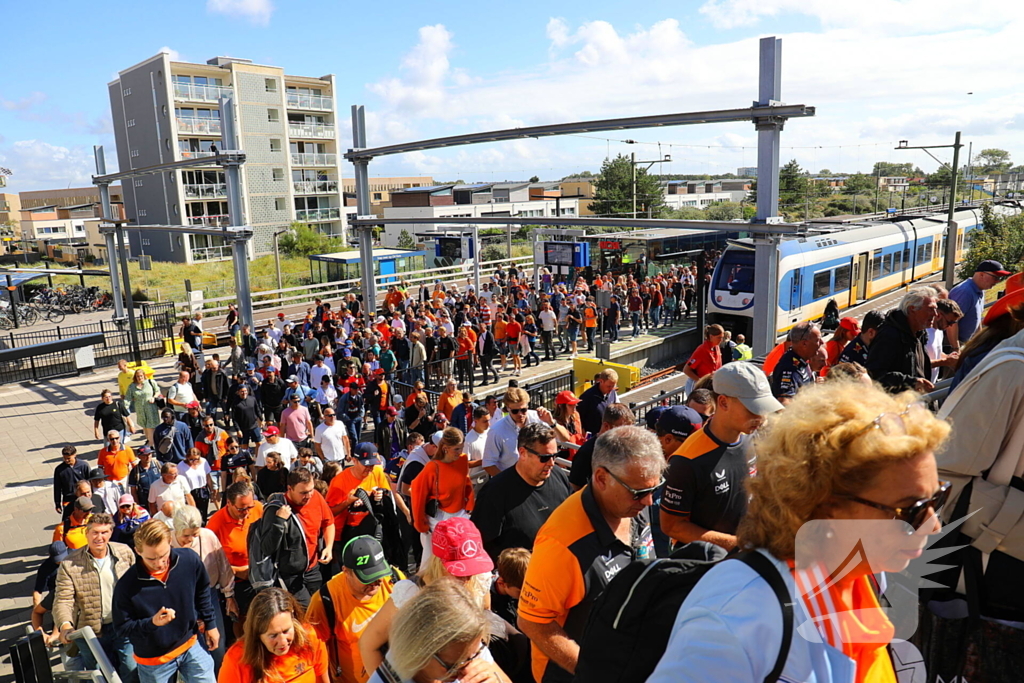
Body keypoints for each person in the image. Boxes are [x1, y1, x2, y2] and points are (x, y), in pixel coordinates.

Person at [648, 380, 951, 683]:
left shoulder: (864, 574)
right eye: (911, 510)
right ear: (827, 505)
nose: (933, 525)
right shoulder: (736, 618)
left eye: (938, 498)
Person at [518, 425, 661, 683]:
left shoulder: (633, 504)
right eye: (638, 493)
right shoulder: (562, 543)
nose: (649, 501)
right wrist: (594, 672)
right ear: (602, 478)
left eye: (654, 489)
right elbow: (532, 622)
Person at [661, 362, 783, 556]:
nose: (761, 417)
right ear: (724, 402)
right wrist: (736, 544)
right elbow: (672, 526)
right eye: (753, 409)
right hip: (706, 564)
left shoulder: (752, 437)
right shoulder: (687, 460)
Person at [359, 519, 497, 678]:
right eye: (460, 571)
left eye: (473, 568)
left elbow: (484, 615)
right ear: (438, 561)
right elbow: (368, 644)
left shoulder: (479, 578)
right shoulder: (411, 594)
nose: (468, 578)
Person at [113, 519, 219, 683]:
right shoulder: (126, 585)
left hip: (192, 644)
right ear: (137, 551)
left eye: (163, 555)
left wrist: (210, 624)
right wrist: (152, 623)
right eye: (151, 559)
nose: (159, 563)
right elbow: (122, 628)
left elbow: (202, 590)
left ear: (170, 541)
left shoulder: (189, 560)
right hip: (153, 661)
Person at [366, 579, 509, 683]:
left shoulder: (465, 649)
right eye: (452, 666)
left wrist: (496, 679)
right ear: (420, 651)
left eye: (475, 654)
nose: (465, 669)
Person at [53, 512, 137, 680]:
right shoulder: (69, 564)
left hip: (122, 624)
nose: (99, 537)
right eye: (95, 532)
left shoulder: (124, 552)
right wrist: (65, 625)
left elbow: (137, 584)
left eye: (104, 532)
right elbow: (63, 599)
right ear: (87, 533)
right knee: (99, 674)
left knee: (130, 668)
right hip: (90, 631)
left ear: (111, 533)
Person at [307, 536, 403, 683]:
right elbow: (314, 652)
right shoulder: (326, 600)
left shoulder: (395, 581)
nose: (377, 582)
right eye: (368, 577)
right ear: (346, 572)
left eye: (380, 573)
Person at [472, 424, 572, 563]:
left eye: (555, 456)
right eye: (544, 458)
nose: (551, 463)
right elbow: (482, 545)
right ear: (523, 453)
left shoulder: (559, 476)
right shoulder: (494, 492)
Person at [171, 506, 237, 671]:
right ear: (176, 530)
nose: (190, 540)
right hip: (180, 601)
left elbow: (223, 566)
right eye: (186, 536)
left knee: (217, 643)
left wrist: (229, 595)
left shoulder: (208, 536)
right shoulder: (167, 542)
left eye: (194, 535)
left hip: (209, 595)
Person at [259, 468, 335, 607]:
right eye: (303, 493)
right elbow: (266, 548)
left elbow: (328, 523)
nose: (309, 496)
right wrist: (279, 522)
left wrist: (329, 547)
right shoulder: (275, 509)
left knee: (320, 609)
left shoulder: (316, 497)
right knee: (307, 612)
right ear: (290, 489)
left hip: (313, 570)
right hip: (290, 576)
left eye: (311, 490)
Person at [218, 587, 329, 683]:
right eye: (273, 635)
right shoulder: (237, 659)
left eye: (286, 631)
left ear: (293, 617)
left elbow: (322, 677)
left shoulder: (309, 638)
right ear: (257, 634)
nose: (283, 642)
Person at [410, 427, 476, 570]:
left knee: (461, 560)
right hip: (438, 520)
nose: (460, 452)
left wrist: (470, 504)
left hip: (460, 516)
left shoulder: (462, 459)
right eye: (456, 449)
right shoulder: (432, 467)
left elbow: (466, 482)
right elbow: (417, 493)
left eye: (462, 448)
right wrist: (420, 523)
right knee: (434, 564)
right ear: (445, 448)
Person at [326, 443, 411, 555]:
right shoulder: (339, 482)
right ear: (354, 461)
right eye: (366, 465)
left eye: (372, 465)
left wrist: (380, 495)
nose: (370, 469)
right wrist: (348, 502)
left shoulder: (377, 472)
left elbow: (387, 495)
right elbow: (329, 513)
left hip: (373, 530)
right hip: (347, 535)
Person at [206, 481, 263, 635]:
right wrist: (236, 571)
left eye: (249, 507)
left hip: (259, 576)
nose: (247, 512)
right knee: (242, 621)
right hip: (236, 582)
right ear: (229, 503)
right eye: (241, 509)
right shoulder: (215, 524)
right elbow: (210, 562)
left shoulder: (258, 509)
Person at [865, 286, 938, 393]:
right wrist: (910, 382)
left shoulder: (919, 334)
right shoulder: (889, 335)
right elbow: (875, 375)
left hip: (916, 399)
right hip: (895, 401)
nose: (935, 314)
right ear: (912, 309)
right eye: (930, 309)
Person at [483, 387, 554, 476]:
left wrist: (552, 423)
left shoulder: (539, 418)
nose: (520, 414)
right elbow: (488, 464)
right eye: (515, 411)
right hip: (513, 479)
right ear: (508, 408)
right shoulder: (496, 431)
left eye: (523, 410)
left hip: (539, 475)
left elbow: (563, 439)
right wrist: (506, 481)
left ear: (527, 406)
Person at [567, 403, 634, 491]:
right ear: (606, 426)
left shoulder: (622, 446)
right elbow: (575, 486)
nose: (627, 435)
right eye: (622, 430)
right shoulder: (586, 453)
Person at [947, 259, 1010, 347]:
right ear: (981, 274)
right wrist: (955, 348)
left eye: (1000, 278)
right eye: (995, 277)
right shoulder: (965, 292)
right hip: (952, 344)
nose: (998, 281)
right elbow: (951, 322)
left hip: (965, 343)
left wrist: (979, 343)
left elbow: (977, 320)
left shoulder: (980, 290)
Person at [770, 321, 823, 403]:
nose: (822, 343)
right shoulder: (789, 368)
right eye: (818, 340)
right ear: (804, 344)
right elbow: (784, 401)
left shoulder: (801, 360)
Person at [125, 368, 162, 447]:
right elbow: (128, 398)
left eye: (141, 376)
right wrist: (125, 407)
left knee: (150, 426)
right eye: (138, 376)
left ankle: (151, 444)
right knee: (145, 427)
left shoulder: (150, 382)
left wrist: (154, 397)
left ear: (144, 375)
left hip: (151, 408)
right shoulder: (132, 386)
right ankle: (149, 441)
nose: (140, 378)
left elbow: (157, 391)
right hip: (140, 410)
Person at [682, 325, 724, 393]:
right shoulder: (701, 350)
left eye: (722, 337)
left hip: (710, 386)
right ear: (711, 336)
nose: (721, 340)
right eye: (719, 337)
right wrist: (701, 382)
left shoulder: (716, 348)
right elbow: (686, 370)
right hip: (697, 387)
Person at [577, 369, 618, 437]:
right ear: (601, 381)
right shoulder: (587, 397)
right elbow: (579, 418)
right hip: (593, 436)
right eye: (608, 386)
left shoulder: (612, 392)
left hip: (609, 435)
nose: (611, 389)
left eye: (613, 386)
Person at [54, 445, 91, 514]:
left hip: (83, 497)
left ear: (75, 455)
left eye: (68, 458)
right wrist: (57, 504)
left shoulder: (84, 465)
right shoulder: (59, 470)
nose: (66, 460)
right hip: (68, 499)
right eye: (64, 458)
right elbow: (57, 488)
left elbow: (90, 482)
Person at [181, 448, 215, 524]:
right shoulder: (181, 466)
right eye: (191, 459)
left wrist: (212, 491)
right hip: (190, 493)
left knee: (203, 515)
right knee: (193, 515)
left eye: (196, 459)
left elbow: (208, 477)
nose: (194, 461)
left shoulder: (204, 462)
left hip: (203, 490)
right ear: (187, 458)